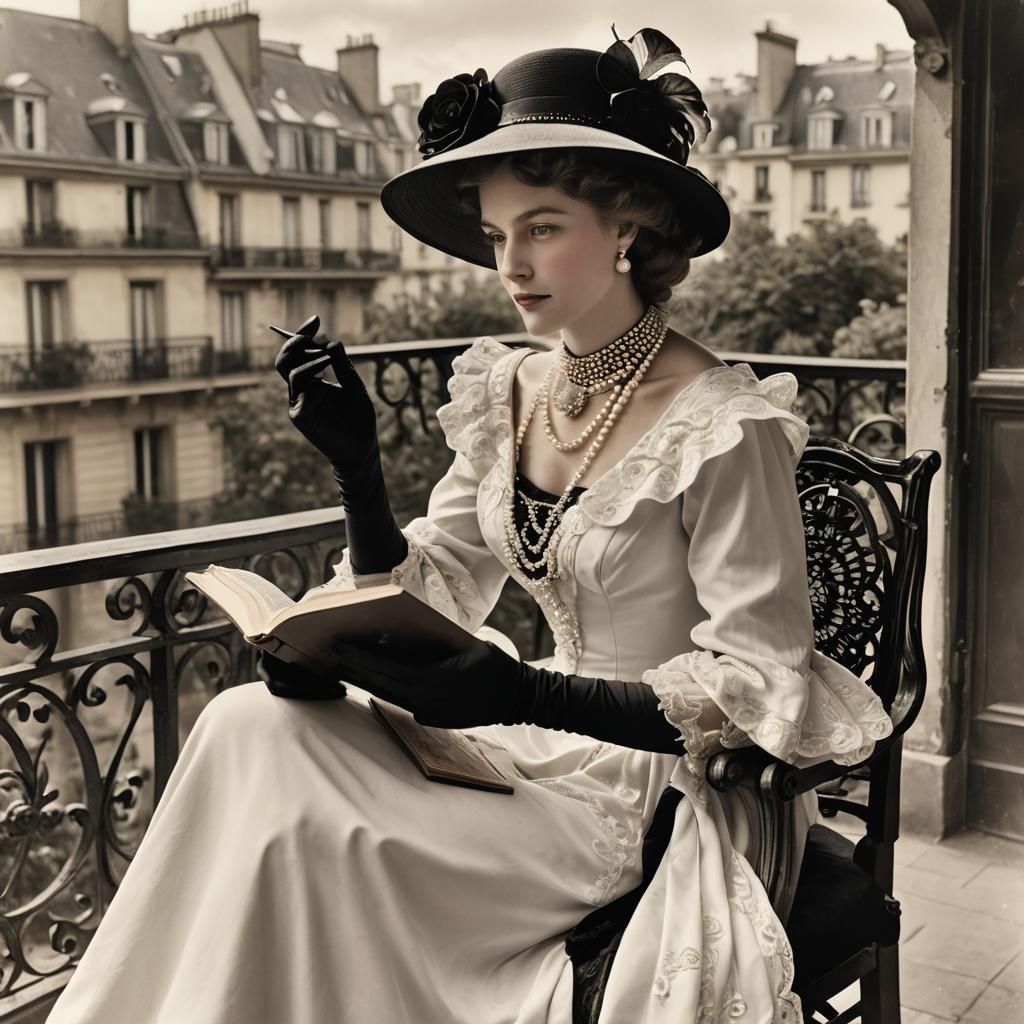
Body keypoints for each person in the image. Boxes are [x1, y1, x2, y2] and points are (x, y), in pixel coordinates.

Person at [46, 26, 893, 1024]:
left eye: (540, 229)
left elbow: (757, 683)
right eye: (497, 239)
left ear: (627, 224)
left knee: (329, 837)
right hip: (531, 747)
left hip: (667, 791)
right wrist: (357, 470)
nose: (511, 267)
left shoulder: (724, 427)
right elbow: (441, 574)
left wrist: (525, 690)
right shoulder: (513, 388)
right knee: (245, 727)